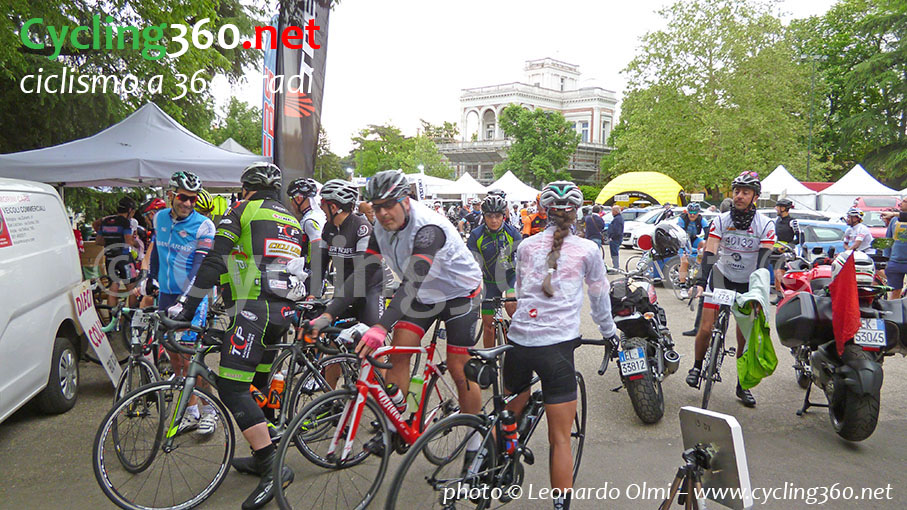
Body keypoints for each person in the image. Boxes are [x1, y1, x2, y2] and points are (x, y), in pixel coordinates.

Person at [168, 162, 299, 509]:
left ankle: (272, 467)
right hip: (281, 312)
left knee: (232, 387)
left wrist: (187, 307)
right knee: (256, 385)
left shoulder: (241, 210)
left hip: (254, 310)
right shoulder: (291, 218)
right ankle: (261, 453)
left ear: (246, 189)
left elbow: (216, 261)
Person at [504, 180, 619, 510]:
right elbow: (599, 297)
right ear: (577, 213)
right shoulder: (588, 250)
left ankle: (497, 462)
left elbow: (521, 291)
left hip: (518, 341)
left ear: (544, 212)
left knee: (509, 415)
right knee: (560, 439)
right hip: (556, 348)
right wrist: (609, 332)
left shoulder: (526, 246)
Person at [353, 169, 485, 422]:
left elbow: (411, 282)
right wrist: (327, 315)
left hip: (459, 294)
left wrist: (381, 326)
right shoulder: (381, 227)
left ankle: (475, 435)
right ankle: (396, 424)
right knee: (398, 355)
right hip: (424, 294)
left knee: (459, 368)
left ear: (405, 201)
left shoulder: (428, 227)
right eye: (377, 207)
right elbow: (362, 274)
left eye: (389, 205)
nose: (382, 213)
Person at [684, 171, 775, 408]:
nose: (739, 196)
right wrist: (701, 283)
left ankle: (742, 384)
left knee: (744, 336)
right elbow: (710, 253)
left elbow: (763, 263)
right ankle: (697, 366)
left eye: (745, 192)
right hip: (721, 277)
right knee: (706, 328)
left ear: (755, 197)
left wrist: (759, 294)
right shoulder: (721, 220)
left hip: (747, 282)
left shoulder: (765, 224)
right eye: (736, 191)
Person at [144, 171, 217, 434]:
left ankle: (210, 411)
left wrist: (186, 299)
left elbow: (199, 266)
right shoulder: (159, 218)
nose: (187, 203)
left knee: (189, 358)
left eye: (193, 199)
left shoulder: (204, 225)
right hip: (166, 294)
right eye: (183, 197)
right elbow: (157, 251)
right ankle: (190, 409)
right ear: (171, 195)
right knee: (173, 357)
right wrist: (150, 278)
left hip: (192, 298)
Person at [306, 179, 385, 331]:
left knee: (368, 338)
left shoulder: (362, 228)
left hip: (370, 290)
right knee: (328, 333)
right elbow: (320, 263)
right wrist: (313, 294)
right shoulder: (328, 228)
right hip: (344, 288)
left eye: (322, 203)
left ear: (333, 207)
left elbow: (362, 273)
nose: (320, 207)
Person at [467, 195, 521, 348]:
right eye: (489, 216)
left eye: (498, 216)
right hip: (489, 282)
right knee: (488, 326)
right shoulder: (476, 235)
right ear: (484, 216)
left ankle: (518, 340)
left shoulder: (512, 233)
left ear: (503, 216)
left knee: (511, 304)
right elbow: (469, 262)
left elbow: (524, 258)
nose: (494, 220)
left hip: (510, 278)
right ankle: (490, 358)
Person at [683, 198, 732, 337]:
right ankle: (721, 328)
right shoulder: (734, 224)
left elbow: (708, 244)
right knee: (725, 299)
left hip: (714, 260)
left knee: (704, 293)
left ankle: (699, 327)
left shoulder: (716, 222)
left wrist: (703, 261)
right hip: (728, 263)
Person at [93, 197, 140, 307]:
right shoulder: (125, 222)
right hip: (124, 258)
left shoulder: (106, 221)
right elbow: (128, 242)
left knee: (113, 289)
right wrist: (136, 243)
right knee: (132, 288)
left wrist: (110, 240)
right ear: (130, 211)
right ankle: (132, 314)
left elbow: (98, 241)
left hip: (109, 258)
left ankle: (112, 315)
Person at [287, 177, 328, 298]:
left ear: (298, 198)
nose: (291, 204)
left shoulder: (309, 220)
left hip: (310, 278)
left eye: (291, 199)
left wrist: (314, 291)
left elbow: (319, 253)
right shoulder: (318, 215)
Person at [676, 202, 710, 298]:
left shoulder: (701, 219)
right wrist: (686, 250)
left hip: (694, 239)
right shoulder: (682, 219)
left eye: (694, 213)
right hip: (682, 240)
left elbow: (707, 233)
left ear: (698, 213)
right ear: (687, 212)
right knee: (684, 261)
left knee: (704, 244)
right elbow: (680, 234)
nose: (692, 215)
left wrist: (706, 247)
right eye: (690, 212)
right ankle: (682, 286)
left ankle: (698, 265)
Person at [771, 198, 800, 303]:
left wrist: (787, 247)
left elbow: (799, 238)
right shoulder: (777, 220)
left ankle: (786, 295)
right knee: (776, 273)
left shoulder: (792, 221)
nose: (776, 209)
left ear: (783, 208)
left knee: (781, 272)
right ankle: (779, 295)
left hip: (787, 251)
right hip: (776, 250)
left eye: (778, 207)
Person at [883, 199, 907, 298]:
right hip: (895, 261)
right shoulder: (894, 220)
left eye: (905, 202)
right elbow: (888, 240)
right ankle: (894, 307)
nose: (901, 204)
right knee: (895, 291)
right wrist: (885, 259)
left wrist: (893, 213)